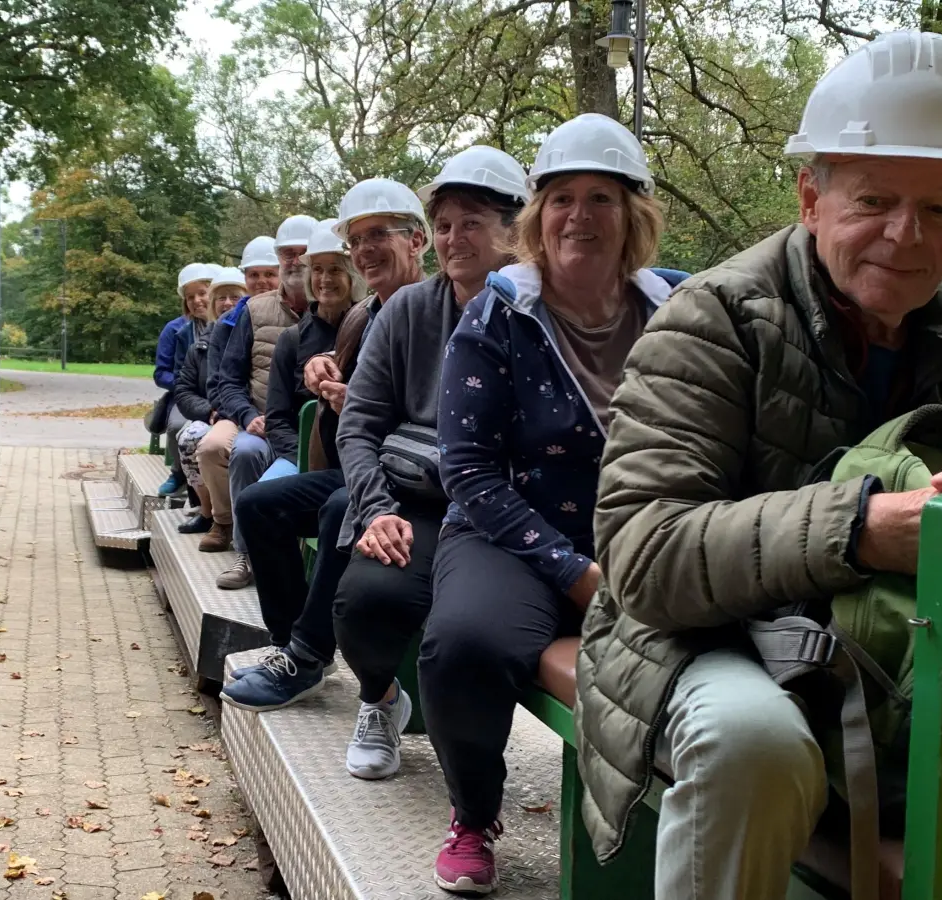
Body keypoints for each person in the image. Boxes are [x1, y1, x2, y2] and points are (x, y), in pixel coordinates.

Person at [572, 32, 942, 900]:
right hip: (711, 637)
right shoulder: (711, 318)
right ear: (810, 197)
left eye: (938, 210)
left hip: (919, 653)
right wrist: (862, 528)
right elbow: (644, 556)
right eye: (874, 200)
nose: (905, 236)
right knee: (748, 747)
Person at [423, 114, 679, 896]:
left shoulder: (679, 308)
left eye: (600, 198)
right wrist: (573, 571)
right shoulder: (498, 312)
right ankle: (473, 814)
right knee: (462, 643)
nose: (578, 217)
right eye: (561, 198)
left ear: (632, 215)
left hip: (646, 532)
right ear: (537, 216)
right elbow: (468, 471)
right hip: (507, 531)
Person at [331, 147, 529, 781]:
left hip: (504, 512)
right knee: (362, 602)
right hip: (417, 502)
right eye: (443, 225)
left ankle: (472, 790)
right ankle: (381, 699)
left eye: (471, 222)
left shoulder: (542, 308)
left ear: (513, 230)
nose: (453, 238)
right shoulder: (409, 310)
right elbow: (358, 424)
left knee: (462, 637)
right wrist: (376, 510)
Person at [222, 180, 429, 712]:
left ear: (417, 241)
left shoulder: (436, 310)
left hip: (412, 478)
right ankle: (289, 644)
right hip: (361, 467)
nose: (364, 251)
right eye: (356, 240)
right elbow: (356, 404)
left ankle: (307, 655)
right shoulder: (364, 315)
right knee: (258, 504)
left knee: (341, 506)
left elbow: (427, 414)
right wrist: (328, 374)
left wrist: (354, 401)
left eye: (378, 235)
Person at [198, 219, 314, 565]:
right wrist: (248, 416)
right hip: (261, 421)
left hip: (312, 429)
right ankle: (246, 554)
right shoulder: (253, 310)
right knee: (245, 452)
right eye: (287, 254)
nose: (295, 261)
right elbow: (227, 380)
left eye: (303, 253)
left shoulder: (335, 307)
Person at [176, 266, 245, 533]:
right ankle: (208, 512)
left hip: (247, 414)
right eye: (221, 297)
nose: (227, 303)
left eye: (235, 297)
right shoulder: (200, 347)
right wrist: (210, 411)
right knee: (190, 436)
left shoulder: (258, 337)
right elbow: (184, 390)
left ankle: (235, 518)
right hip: (213, 415)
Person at [157, 261, 216, 496]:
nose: (197, 301)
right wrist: (186, 388)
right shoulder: (179, 332)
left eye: (202, 293)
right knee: (177, 426)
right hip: (188, 394)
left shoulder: (230, 325)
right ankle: (179, 473)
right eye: (190, 297)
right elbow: (165, 373)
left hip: (219, 395)